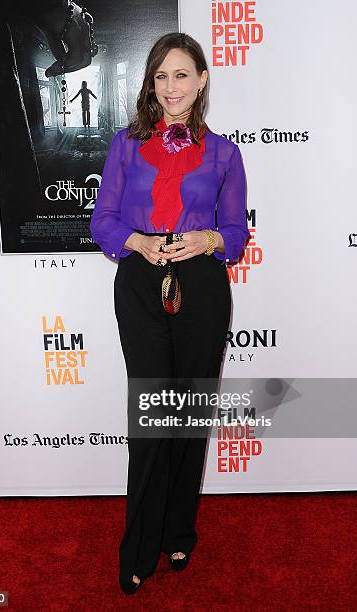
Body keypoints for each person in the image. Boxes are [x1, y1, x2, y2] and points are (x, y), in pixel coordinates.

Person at [90, 32, 250, 595]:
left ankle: (179, 527)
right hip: (140, 283)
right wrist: (137, 241)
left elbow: (236, 233)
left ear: (202, 80)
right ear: (150, 85)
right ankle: (139, 544)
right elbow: (102, 219)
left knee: (190, 413)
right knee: (154, 416)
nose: (171, 87)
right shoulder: (124, 146)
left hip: (202, 286)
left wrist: (206, 239)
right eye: (161, 76)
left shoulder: (225, 152)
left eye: (182, 74)